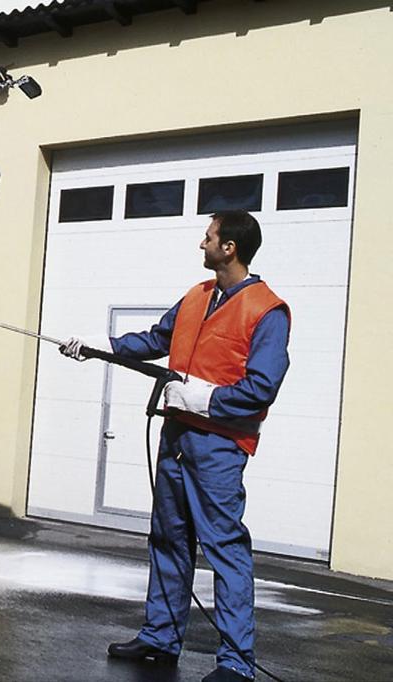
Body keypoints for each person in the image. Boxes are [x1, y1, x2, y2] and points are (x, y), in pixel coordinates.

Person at [61, 210, 291, 682]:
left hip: (220, 446)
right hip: (177, 437)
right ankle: (161, 639)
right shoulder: (196, 296)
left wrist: (206, 399)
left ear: (230, 247)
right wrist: (97, 345)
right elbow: (155, 340)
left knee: (224, 547)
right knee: (168, 538)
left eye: (207, 237)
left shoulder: (267, 311)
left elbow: (262, 387)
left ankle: (236, 662)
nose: (200, 244)